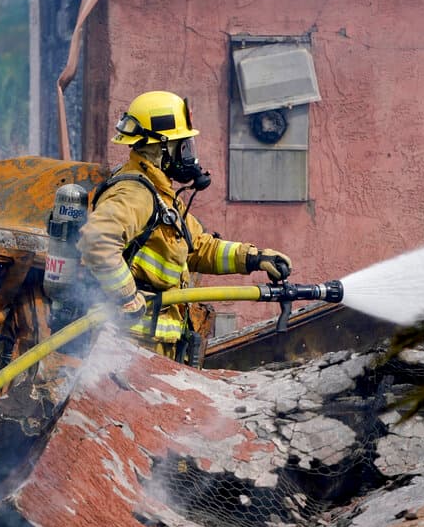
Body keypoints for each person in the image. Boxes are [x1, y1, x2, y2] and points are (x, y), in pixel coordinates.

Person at [77, 90, 292, 362]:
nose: (189, 156)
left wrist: (254, 258)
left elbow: (198, 247)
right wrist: (127, 296)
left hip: (150, 348)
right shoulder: (136, 193)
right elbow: (96, 241)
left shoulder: (159, 193)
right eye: (183, 145)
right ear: (161, 147)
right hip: (126, 349)